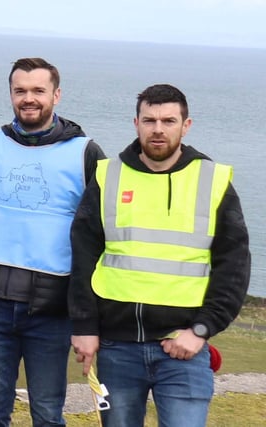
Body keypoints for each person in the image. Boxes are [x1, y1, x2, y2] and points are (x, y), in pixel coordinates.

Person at [69, 84, 251, 427]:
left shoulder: (213, 180)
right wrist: (84, 327)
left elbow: (234, 266)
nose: (158, 129)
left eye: (168, 120)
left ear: (186, 125)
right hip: (116, 348)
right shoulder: (107, 176)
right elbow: (83, 257)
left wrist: (201, 329)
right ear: (135, 123)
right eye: (149, 120)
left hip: (183, 348)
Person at [0, 57, 105, 427]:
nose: (29, 98)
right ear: (10, 94)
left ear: (56, 95)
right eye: (20, 90)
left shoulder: (86, 153)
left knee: (47, 416)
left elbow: (98, 239)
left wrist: (87, 315)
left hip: (52, 314)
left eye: (38, 90)